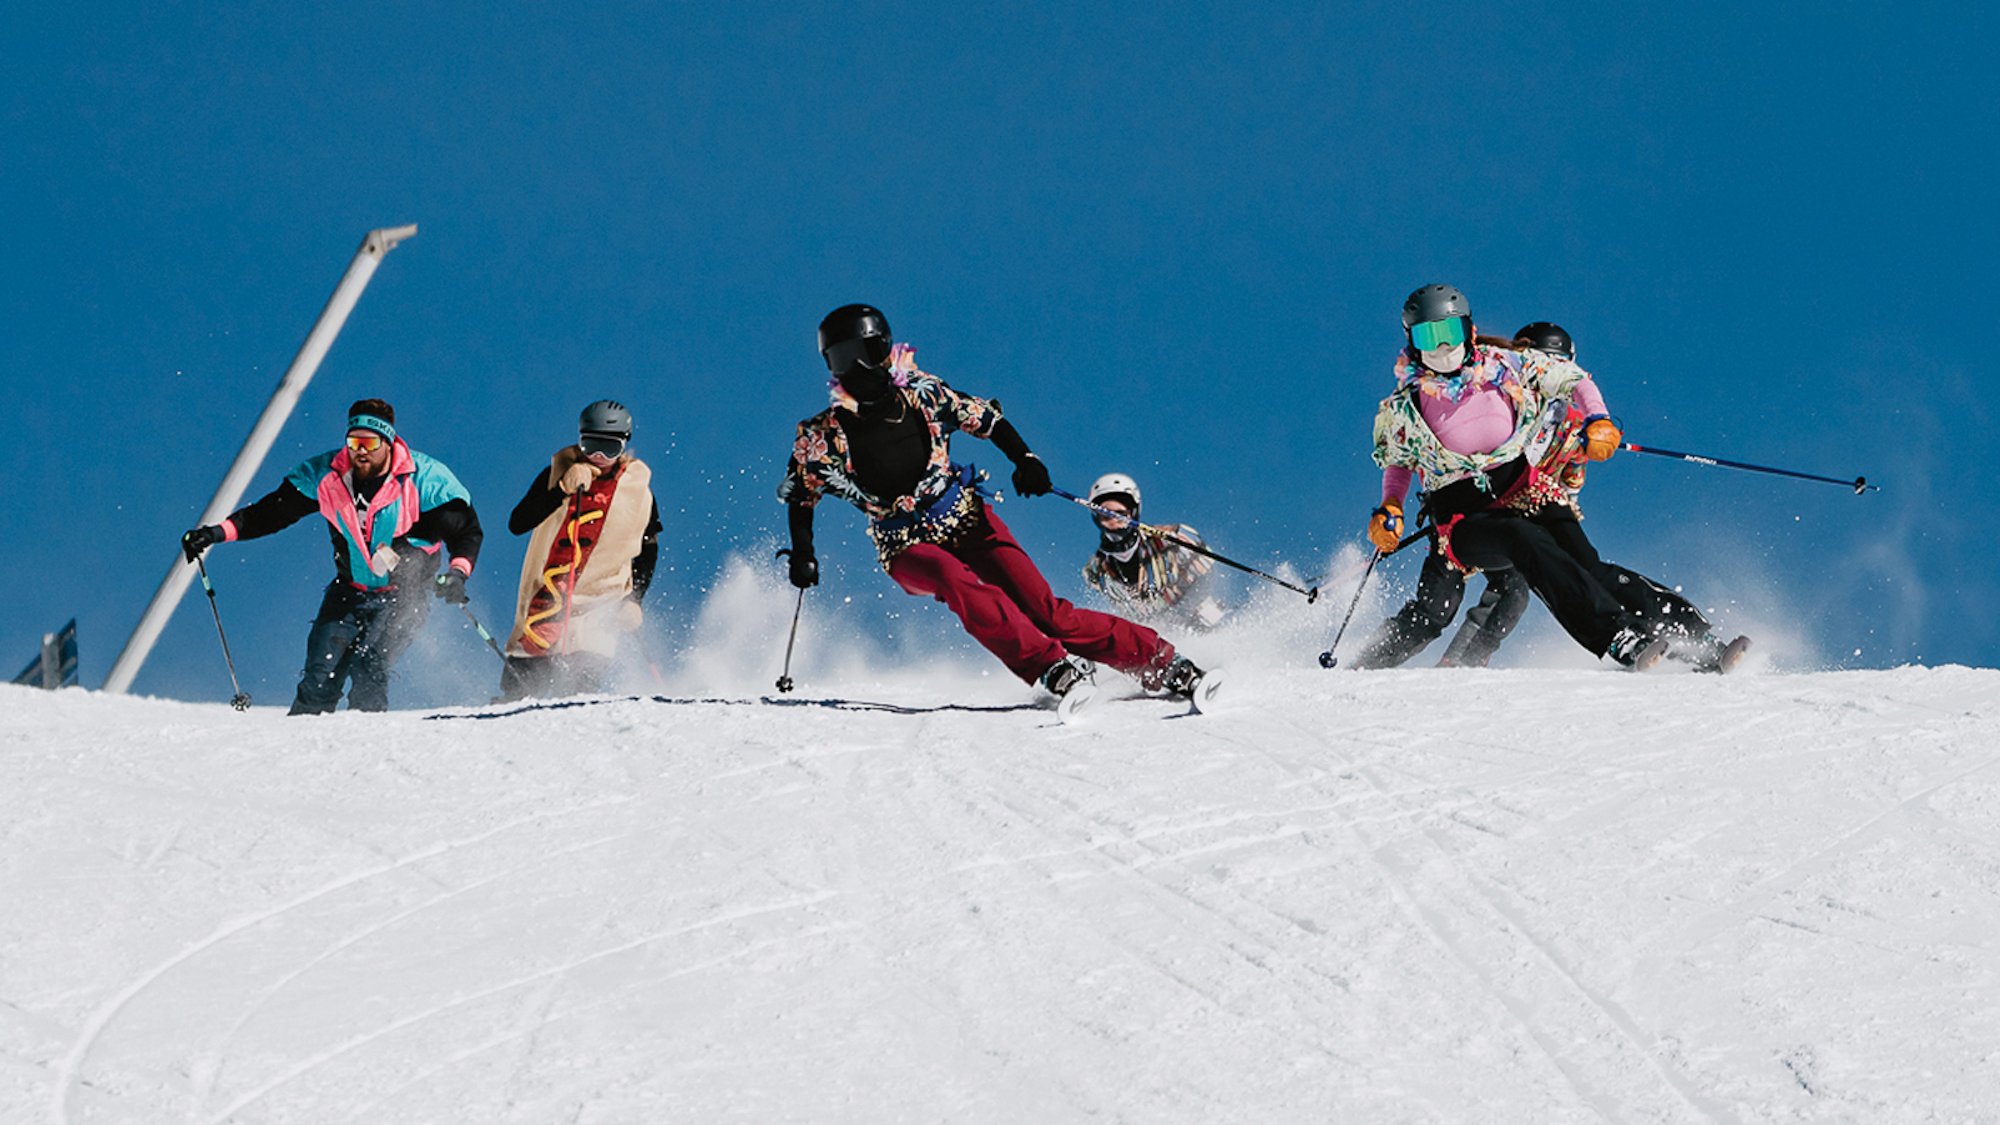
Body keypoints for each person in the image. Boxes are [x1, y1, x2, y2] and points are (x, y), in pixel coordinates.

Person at [778, 304, 1205, 704]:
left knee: (1049, 613)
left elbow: (987, 420)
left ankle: (1161, 662)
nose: (858, 369)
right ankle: (1050, 667)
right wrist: (803, 553)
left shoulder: (924, 394)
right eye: (842, 360)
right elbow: (802, 493)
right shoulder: (822, 437)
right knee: (951, 576)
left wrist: (1026, 459)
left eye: (867, 352)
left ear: (886, 350)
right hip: (904, 544)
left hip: (965, 519)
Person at [1365, 285, 1672, 668]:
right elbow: (1399, 460)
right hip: (1463, 516)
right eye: (1429, 336)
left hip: (1522, 489)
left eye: (1451, 332)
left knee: (1585, 562)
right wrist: (1390, 505)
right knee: (1514, 548)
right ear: (1412, 341)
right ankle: (1615, 635)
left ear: (1469, 330)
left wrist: (1598, 417)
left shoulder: (1503, 365)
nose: (1443, 347)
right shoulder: (1405, 404)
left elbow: (1570, 379)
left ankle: (1687, 635)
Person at [181, 398, 483, 713]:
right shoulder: (326, 476)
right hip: (349, 592)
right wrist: (215, 533)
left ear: (388, 442)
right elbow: (270, 513)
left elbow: (466, 531)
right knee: (319, 678)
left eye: (369, 442)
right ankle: (302, 751)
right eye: (354, 442)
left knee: (370, 664)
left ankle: (363, 749)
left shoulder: (423, 479)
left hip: (405, 595)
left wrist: (458, 573)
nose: (360, 451)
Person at [499, 399, 663, 700]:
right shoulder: (555, 474)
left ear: (624, 446)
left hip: (598, 609)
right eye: (591, 446)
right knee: (518, 694)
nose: (599, 457)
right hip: (544, 606)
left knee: (578, 694)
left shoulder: (638, 493)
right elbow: (518, 523)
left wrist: (634, 599)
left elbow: (647, 550)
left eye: (609, 449)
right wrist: (560, 490)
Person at [1079, 472, 1228, 629]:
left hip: (1201, 623)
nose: (1113, 520)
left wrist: (1180, 613)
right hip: (1156, 640)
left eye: (1120, 514)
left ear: (1133, 512)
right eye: (1105, 515)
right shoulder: (1095, 571)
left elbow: (1206, 575)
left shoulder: (1172, 539)